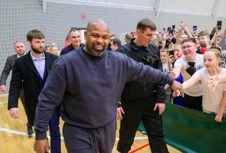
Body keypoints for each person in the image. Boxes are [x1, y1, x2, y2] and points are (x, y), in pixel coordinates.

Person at [33, 19, 183, 153]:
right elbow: (47, 101)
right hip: (78, 130)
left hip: (107, 129)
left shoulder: (119, 61)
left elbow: (145, 71)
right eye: (95, 35)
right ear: (86, 36)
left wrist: (170, 81)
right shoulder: (65, 64)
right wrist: (40, 134)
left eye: (104, 37)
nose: (100, 40)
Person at [116, 18, 169, 153]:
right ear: (138, 33)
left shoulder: (154, 49)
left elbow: (159, 75)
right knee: (126, 138)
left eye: (153, 35)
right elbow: (116, 79)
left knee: (158, 136)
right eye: (148, 35)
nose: (151, 38)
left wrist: (160, 99)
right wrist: (116, 103)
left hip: (151, 101)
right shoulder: (123, 52)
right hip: (130, 102)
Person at [8, 29, 60, 153]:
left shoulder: (54, 59)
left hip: (52, 103)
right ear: (29, 43)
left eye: (42, 42)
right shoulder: (20, 62)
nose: (41, 45)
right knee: (40, 133)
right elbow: (15, 84)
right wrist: (12, 105)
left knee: (55, 130)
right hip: (35, 104)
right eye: (37, 42)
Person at [181, 48, 226, 122]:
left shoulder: (225, 74)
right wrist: (180, 87)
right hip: (206, 107)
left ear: (218, 60)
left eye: (210, 60)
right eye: (204, 60)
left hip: (222, 110)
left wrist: (220, 113)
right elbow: (191, 81)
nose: (206, 63)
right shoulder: (202, 72)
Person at [172, 38, 204, 111]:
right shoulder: (180, 61)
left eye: (188, 46)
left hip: (202, 94)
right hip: (187, 94)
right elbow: (177, 69)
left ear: (196, 47)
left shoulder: (203, 59)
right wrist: (174, 74)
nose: (186, 49)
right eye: (183, 47)